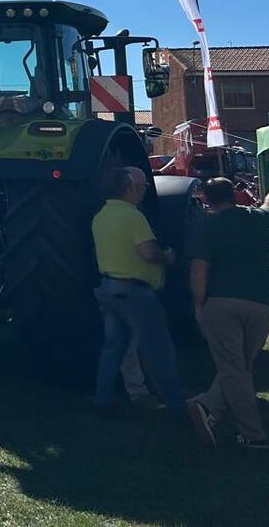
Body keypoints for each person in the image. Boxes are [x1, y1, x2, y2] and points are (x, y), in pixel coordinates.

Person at [187, 175, 269, 450]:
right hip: (262, 304)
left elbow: (199, 268)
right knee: (240, 366)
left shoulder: (208, 227)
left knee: (234, 369)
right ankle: (208, 404)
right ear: (233, 194)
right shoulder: (258, 217)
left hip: (221, 303)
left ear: (206, 199)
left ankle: (252, 433)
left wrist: (198, 303)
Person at [91, 165, 185, 417]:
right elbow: (149, 253)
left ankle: (103, 400)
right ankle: (176, 406)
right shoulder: (132, 216)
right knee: (159, 349)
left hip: (108, 287)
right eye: (142, 186)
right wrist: (168, 257)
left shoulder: (100, 216)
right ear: (129, 187)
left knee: (114, 349)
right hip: (135, 292)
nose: (144, 191)